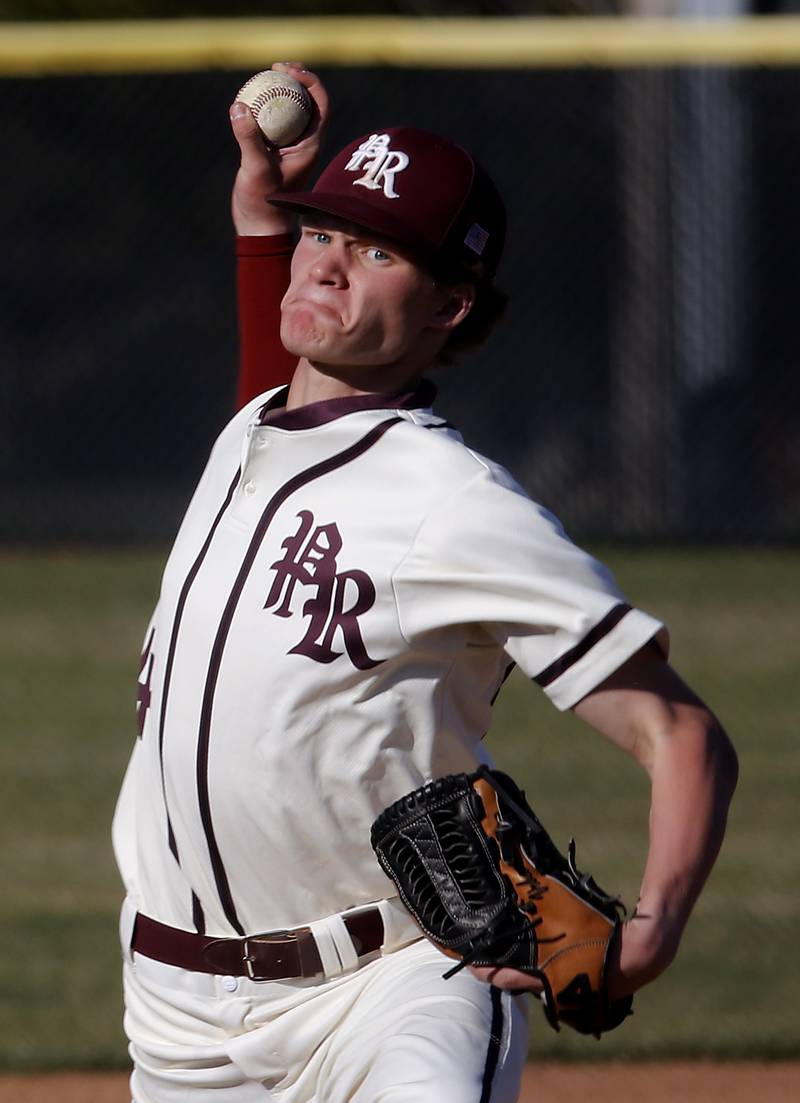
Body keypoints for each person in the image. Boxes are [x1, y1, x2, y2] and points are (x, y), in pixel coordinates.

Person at [113, 63, 738, 1103]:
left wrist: (655, 926)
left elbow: (679, 734)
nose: (329, 267)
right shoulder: (248, 433)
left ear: (450, 303)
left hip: (390, 988)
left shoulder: (455, 503)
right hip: (178, 1013)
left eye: (378, 250)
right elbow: (278, 380)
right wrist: (262, 211)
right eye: (323, 235)